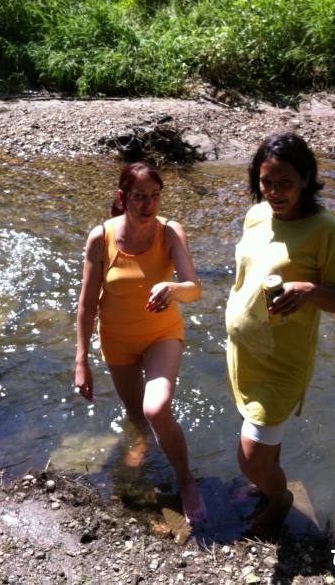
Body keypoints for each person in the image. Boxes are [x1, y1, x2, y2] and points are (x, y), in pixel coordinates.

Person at [225, 133, 335, 538]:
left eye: (285, 182)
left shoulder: (327, 230)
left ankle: (280, 499)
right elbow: (246, 277)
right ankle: (269, 482)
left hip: (283, 361)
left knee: (250, 456)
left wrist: (309, 290)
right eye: (266, 182)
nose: (275, 192)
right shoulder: (256, 215)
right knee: (265, 443)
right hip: (245, 352)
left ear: (305, 179)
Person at [75, 162, 207, 524]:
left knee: (155, 407)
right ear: (122, 198)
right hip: (117, 340)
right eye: (139, 197)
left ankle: (186, 480)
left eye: (155, 196)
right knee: (135, 413)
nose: (149, 204)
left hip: (162, 334)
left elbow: (194, 289)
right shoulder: (100, 238)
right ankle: (143, 442)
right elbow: (87, 304)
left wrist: (173, 288)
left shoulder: (170, 232)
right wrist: (82, 359)